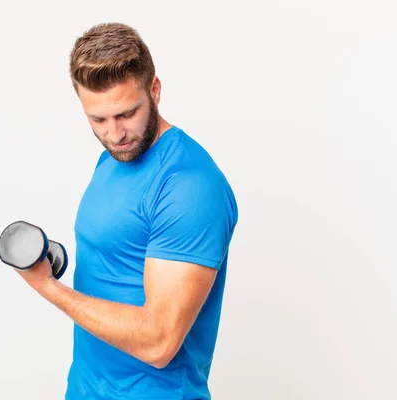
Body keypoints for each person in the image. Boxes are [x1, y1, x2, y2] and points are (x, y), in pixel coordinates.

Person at [15, 22, 239, 399]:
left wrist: (47, 287)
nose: (114, 134)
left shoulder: (190, 186)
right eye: (97, 119)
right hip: (87, 388)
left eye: (126, 114)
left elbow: (158, 342)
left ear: (155, 90)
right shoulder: (115, 157)